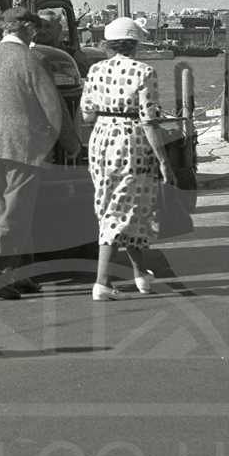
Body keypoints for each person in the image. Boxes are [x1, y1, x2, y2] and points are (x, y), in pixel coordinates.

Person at [0, 5, 81, 299]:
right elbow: (53, 108)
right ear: (27, 29)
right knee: (16, 215)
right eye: (35, 29)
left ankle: (20, 274)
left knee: (8, 215)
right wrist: (71, 144)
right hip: (22, 147)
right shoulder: (33, 60)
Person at [79, 17, 174, 301]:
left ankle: (140, 273)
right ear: (134, 43)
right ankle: (102, 282)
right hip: (131, 141)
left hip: (101, 139)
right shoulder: (144, 72)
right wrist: (163, 159)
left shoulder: (95, 70)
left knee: (119, 204)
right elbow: (148, 120)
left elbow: (86, 113)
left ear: (108, 44)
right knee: (122, 210)